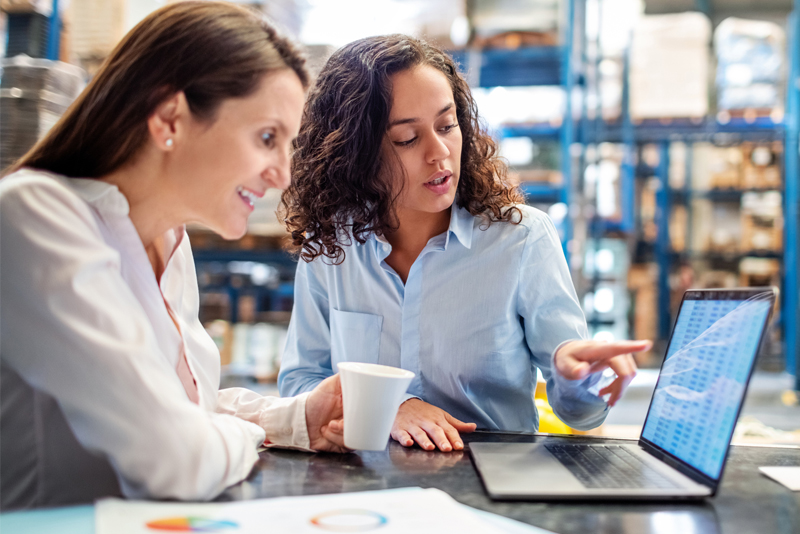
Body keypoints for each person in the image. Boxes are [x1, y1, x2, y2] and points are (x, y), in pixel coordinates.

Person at [0, 2, 347, 510]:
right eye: (267, 137)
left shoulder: (169, 240)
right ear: (169, 118)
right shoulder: (35, 215)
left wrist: (296, 420)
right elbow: (178, 457)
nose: (282, 175)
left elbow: (179, 406)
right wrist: (246, 436)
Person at [278, 34, 651, 452]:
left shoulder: (522, 239)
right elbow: (300, 383)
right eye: (407, 138)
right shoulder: (332, 246)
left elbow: (581, 415)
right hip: (367, 487)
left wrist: (575, 378)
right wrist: (392, 406)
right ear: (355, 154)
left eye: (447, 125)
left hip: (491, 484)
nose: (439, 153)